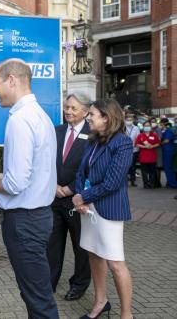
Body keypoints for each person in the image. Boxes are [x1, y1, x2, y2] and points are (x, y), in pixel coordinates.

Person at [0, 58, 59, 319]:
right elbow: (31, 173)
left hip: (24, 223)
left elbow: (16, 183)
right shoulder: (40, 116)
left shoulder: (20, 120)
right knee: (36, 294)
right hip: (39, 217)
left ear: (11, 80)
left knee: (38, 300)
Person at [72, 98, 134, 319]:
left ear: (106, 118)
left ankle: (127, 314)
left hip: (108, 209)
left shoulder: (122, 143)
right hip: (89, 209)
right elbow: (81, 173)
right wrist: (81, 196)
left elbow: (113, 182)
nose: (87, 118)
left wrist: (83, 197)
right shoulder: (93, 140)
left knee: (116, 263)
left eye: (92, 115)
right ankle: (101, 303)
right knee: (94, 255)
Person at [47, 93, 91, 301]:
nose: (68, 112)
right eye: (66, 107)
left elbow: (92, 168)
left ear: (85, 111)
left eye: (73, 108)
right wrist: (54, 186)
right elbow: (46, 161)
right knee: (52, 244)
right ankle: (49, 283)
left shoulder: (93, 135)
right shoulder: (57, 131)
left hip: (77, 199)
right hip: (54, 198)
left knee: (81, 246)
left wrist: (70, 189)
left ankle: (79, 284)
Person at [136, 121, 160, 189]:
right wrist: (143, 146)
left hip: (152, 156)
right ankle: (146, 184)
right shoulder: (140, 135)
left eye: (148, 125)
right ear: (143, 127)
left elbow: (158, 143)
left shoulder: (154, 135)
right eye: (145, 126)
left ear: (150, 126)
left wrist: (152, 146)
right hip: (143, 156)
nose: (147, 127)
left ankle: (152, 184)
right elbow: (137, 144)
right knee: (144, 172)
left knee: (152, 171)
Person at [159, 118, 177, 188]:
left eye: (160, 123)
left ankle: (173, 184)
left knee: (168, 168)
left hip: (168, 151)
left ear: (163, 124)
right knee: (168, 168)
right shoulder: (164, 131)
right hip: (166, 150)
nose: (160, 125)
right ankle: (171, 182)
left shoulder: (168, 131)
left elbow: (166, 141)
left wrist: (159, 143)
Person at [125, 114, 140, 187]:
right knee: (125, 165)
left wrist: (135, 143)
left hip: (134, 149)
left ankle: (133, 181)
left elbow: (138, 137)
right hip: (124, 150)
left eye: (130, 120)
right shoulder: (122, 128)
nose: (129, 121)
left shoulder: (136, 128)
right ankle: (125, 181)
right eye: (127, 120)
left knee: (133, 166)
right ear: (125, 120)